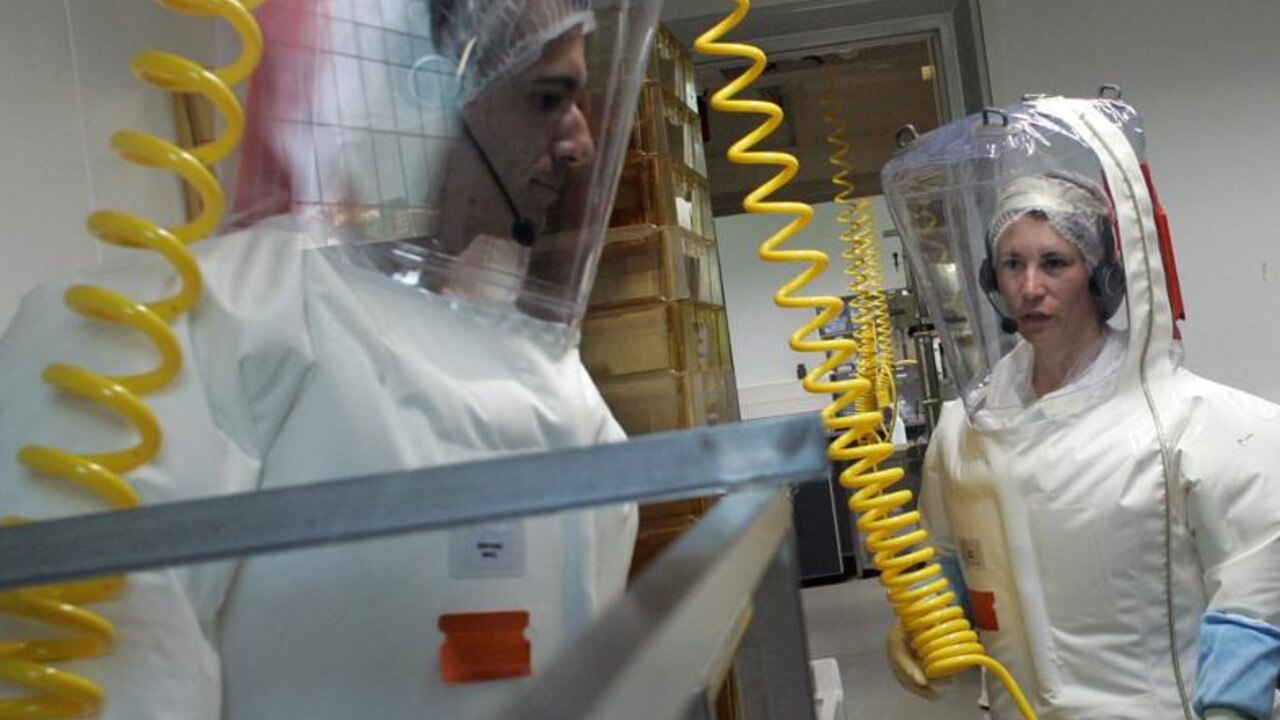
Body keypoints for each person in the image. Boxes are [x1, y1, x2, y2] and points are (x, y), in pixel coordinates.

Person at [0, 0, 658, 717]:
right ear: (425, 89)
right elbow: (112, 672)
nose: (580, 145)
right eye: (547, 99)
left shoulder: (550, 380)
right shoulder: (198, 331)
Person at [880, 97, 1280, 719]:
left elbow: (1256, 580)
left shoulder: (1196, 421)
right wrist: (924, 623)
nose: (1030, 286)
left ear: (1102, 278)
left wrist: (1233, 704)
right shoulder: (967, 428)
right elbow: (954, 559)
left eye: (1054, 263)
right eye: (1013, 264)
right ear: (992, 279)